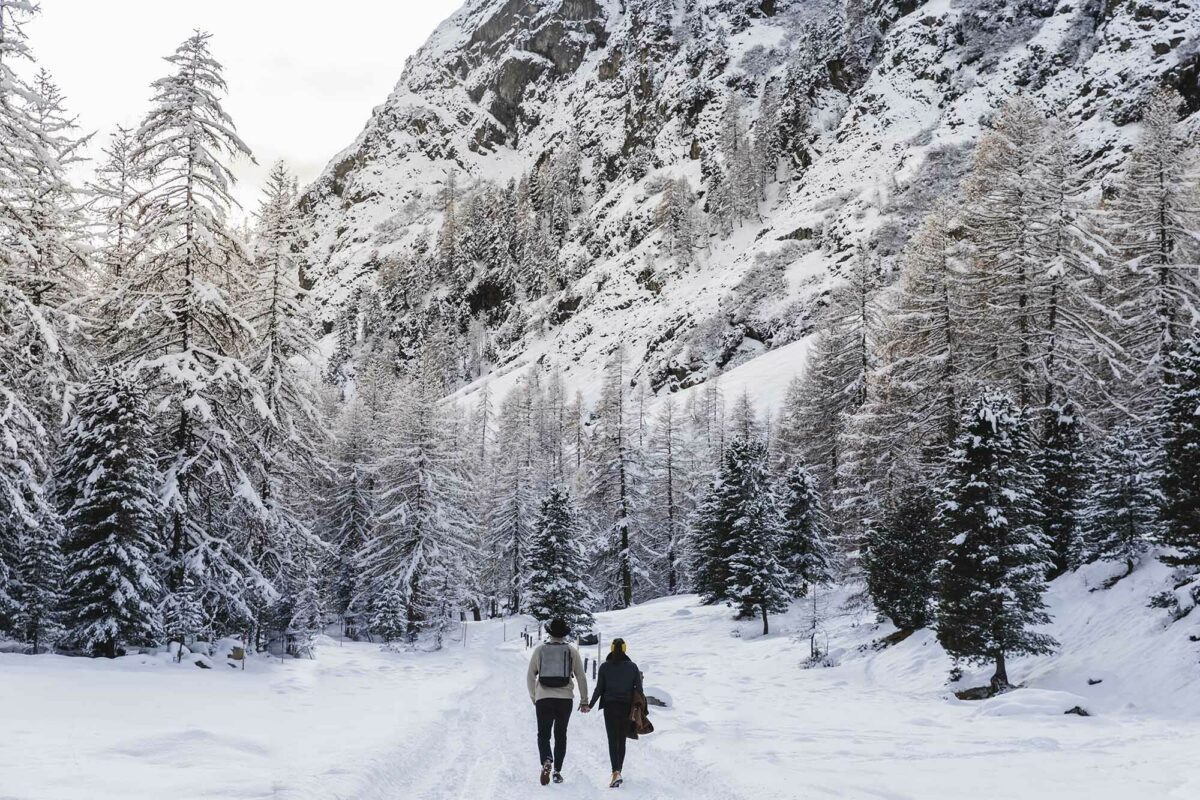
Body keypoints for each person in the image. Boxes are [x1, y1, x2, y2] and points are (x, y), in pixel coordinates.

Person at [526, 618, 590, 786]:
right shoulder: (571, 651)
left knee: (543, 734)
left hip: (544, 699)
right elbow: (581, 677)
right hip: (565, 700)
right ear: (564, 634)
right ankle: (557, 772)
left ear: (550, 633)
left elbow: (530, 675)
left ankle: (547, 760)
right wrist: (584, 701)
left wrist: (535, 697)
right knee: (561, 735)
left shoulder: (540, 650)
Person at [588, 637, 643, 788]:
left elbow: (599, 689)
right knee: (622, 740)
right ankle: (618, 770)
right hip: (626, 707)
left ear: (611, 649)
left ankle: (615, 772)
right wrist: (642, 710)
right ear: (625, 649)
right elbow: (640, 690)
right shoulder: (633, 667)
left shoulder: (605, 667)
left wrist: (590, 705)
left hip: (610, 707)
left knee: (612, 740)